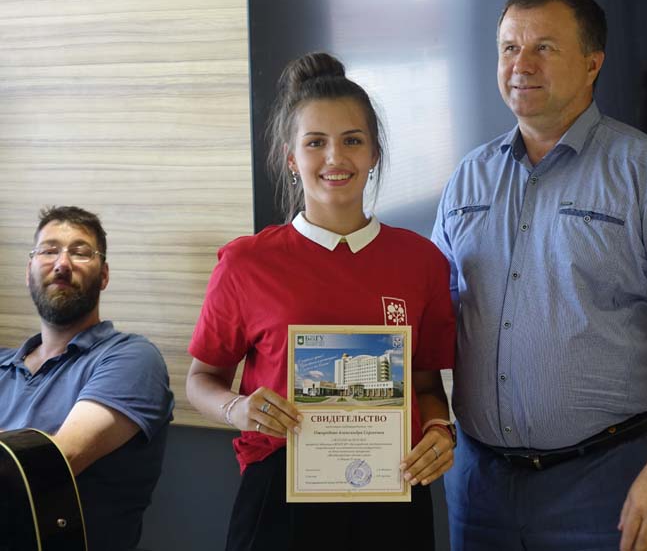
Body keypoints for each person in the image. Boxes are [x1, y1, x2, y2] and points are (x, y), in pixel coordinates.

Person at [431, 0, 647, 551]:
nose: (521, 64)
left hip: (607, 481)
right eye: (509, 48)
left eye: (544, 48)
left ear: (593, 63)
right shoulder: (467, 178)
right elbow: (435, 315)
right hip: (478, 483)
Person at [186, 52, 456, 551]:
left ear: (374, 154)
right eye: (315, 143)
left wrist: (441, 429)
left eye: (352, 141)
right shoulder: (246, 262)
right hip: (280, 494)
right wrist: (237, 409)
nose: (335, 158)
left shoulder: (422, 262)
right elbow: (201, 380)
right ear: (292, 158)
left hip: (393, 488)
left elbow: (425, 384)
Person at [0, 205, 174, 551]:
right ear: (28, 273)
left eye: (80, 253)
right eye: (48, 251)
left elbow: (52, 462)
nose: (62, 264)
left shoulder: (132, 358)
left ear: (104, 276)